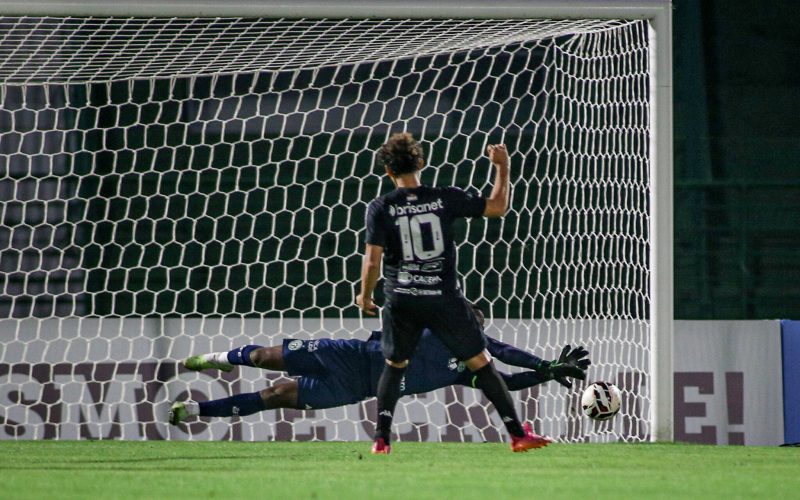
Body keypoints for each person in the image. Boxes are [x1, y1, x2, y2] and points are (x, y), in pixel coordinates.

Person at [356, 132, 544, 453]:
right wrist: (502, 166)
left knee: (395, 364)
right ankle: (517, 435)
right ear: (421, 162)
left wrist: (365, 295)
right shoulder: (444, 198)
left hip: (402, 297)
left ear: (388, 171)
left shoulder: (381, 206)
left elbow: (373, 259)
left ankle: (381, 440)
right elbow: (497, 206)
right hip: (442, 298)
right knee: (481, 363)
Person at [168, 310, 590, 428]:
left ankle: (194, 413)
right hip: (348, 355)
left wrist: (547, 370)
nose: (471, 325)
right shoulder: (431, 320)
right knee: (263, 358)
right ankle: (217, 360)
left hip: (355, 389)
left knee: (274, 398)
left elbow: (508, 377)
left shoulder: (468, 363)